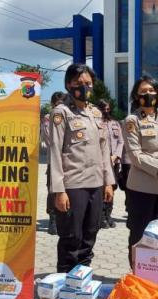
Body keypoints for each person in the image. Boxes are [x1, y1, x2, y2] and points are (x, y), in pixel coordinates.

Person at [49, 64, 115, 273]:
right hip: (73, 185)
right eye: (78, 83)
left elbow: (104, 150)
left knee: (90, 234)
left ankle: (83, 278)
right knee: (71, 237)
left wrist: (108, 182)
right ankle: (65, 284)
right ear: (69, 84)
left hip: (96, 184)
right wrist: (59, 191)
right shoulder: (62, 112)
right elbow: (55, 152)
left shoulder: (95, 113)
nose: (83, 87)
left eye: (87, 83)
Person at [122, 75, 158, 266]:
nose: (148, 94)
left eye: (151, 90)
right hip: (141, 187)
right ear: (136, 96)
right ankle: (138, 272)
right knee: (140, 233)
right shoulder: (132, 121)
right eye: (143, 92)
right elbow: (135, 155)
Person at [42, 91, 67, 235]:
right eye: (57, 104)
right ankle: (52, 219)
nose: (60, 107)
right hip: (54, 161)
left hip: (69, 162)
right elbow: (51, 139)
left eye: (63, 103)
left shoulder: (69, 116)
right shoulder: (48, 118)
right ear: (52, 104)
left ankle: (63, 218)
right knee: (53, 191)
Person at [97, 99, 124, 228]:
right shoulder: (96, 123)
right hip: (101, 163)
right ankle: (101, 217)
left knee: (112, 188)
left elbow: (121, 141)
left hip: (114, 162)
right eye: (104, 109)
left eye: (108, 109)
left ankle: (108, 214)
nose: (106, 112)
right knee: (102, 189)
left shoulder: (115, 123)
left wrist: (116, 156)